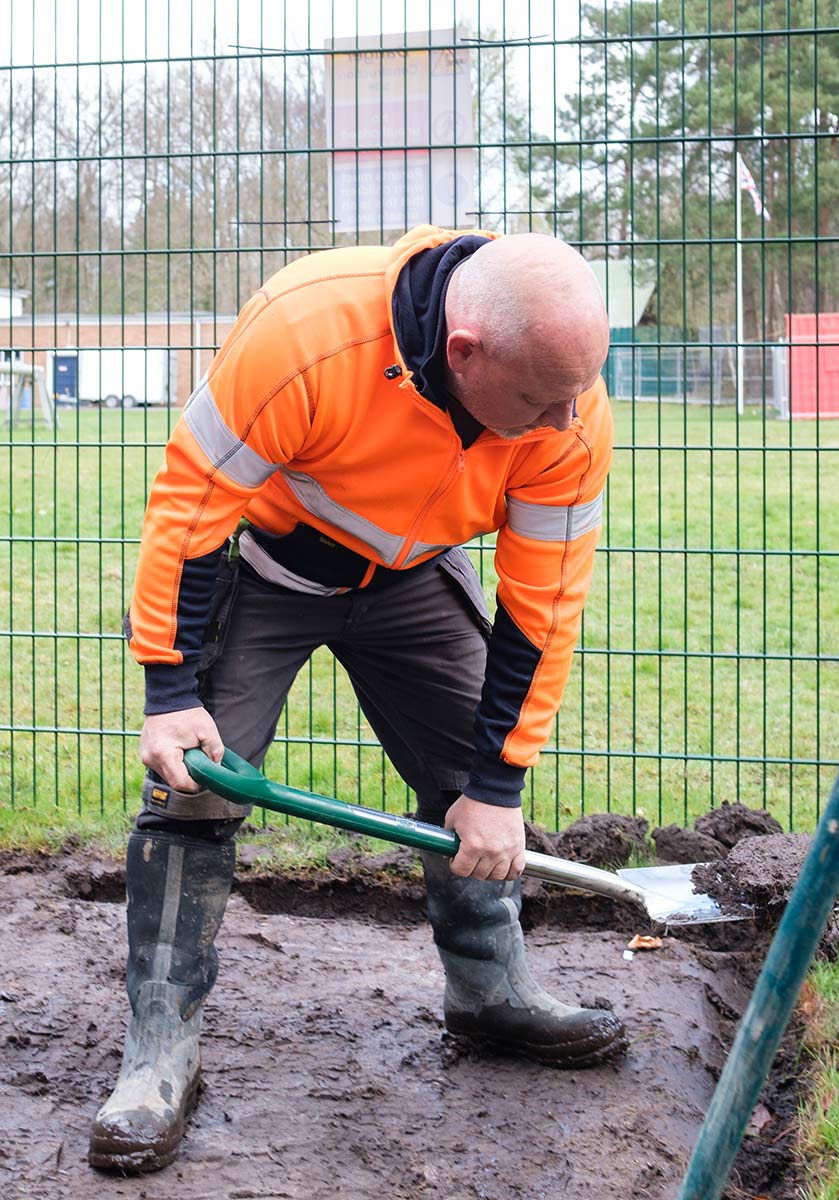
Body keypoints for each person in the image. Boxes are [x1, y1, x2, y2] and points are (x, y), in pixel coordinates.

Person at [88, 226, 627, 1175]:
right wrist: (170, 692)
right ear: (465, 352)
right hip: (270, 566)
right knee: (196, 786)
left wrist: (498, 785)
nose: (559, 424)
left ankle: (489, 990)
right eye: (540, 401)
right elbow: (193, 504)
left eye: (572, 398)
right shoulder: (309, 330)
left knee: (471, 778)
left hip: (415, 578)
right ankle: (159, 1052)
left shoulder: (569, 410)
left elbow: (542, 610)